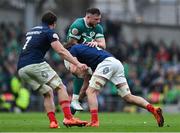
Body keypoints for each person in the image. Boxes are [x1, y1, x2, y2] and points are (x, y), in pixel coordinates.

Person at [64, 44, 164, 127]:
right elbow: (84, 85)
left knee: (90, 92)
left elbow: (73, 69)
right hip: (116, 64)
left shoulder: (73, 50)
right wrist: (72, 111)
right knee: (128, 97)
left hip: (107, 64)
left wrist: (73, 70)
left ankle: (94, 121)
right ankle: (153, 110)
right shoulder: (86, 52)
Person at [17, 11, 88, 128]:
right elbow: (61, 51)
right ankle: (69, 118)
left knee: (48, 92)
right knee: (61, 87)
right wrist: (78, 63)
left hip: (21, 68)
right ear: (54, 23)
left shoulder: (32, 30)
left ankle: (53, 122)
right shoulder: (49, 32)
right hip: (35, 64)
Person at [64, 7, 106, 112]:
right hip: (72, 56)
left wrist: (96, 43)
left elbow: (103, 45)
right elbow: (70, 44)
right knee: (80, 70)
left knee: (88, 86)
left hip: (86, 58)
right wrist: (85, 44)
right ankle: (74, 100)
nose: (99, 21)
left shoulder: (98, 28)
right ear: (88, 17)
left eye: (99, 19)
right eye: (96, 19)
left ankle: (74, 106)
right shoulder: (77, 26)